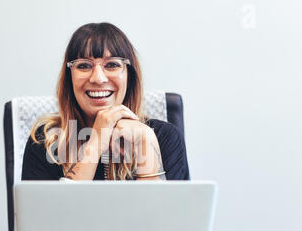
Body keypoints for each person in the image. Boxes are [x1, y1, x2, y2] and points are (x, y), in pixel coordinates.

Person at [22, 22, 189, 181]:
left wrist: (146, 142)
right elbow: (57, 211)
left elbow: (163, 211)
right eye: (84, 66)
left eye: (112, 64)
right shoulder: (45, 141)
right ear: (69, 78)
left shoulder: (164, 137)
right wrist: (95, 143)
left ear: (129, 77)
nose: (98, 78)